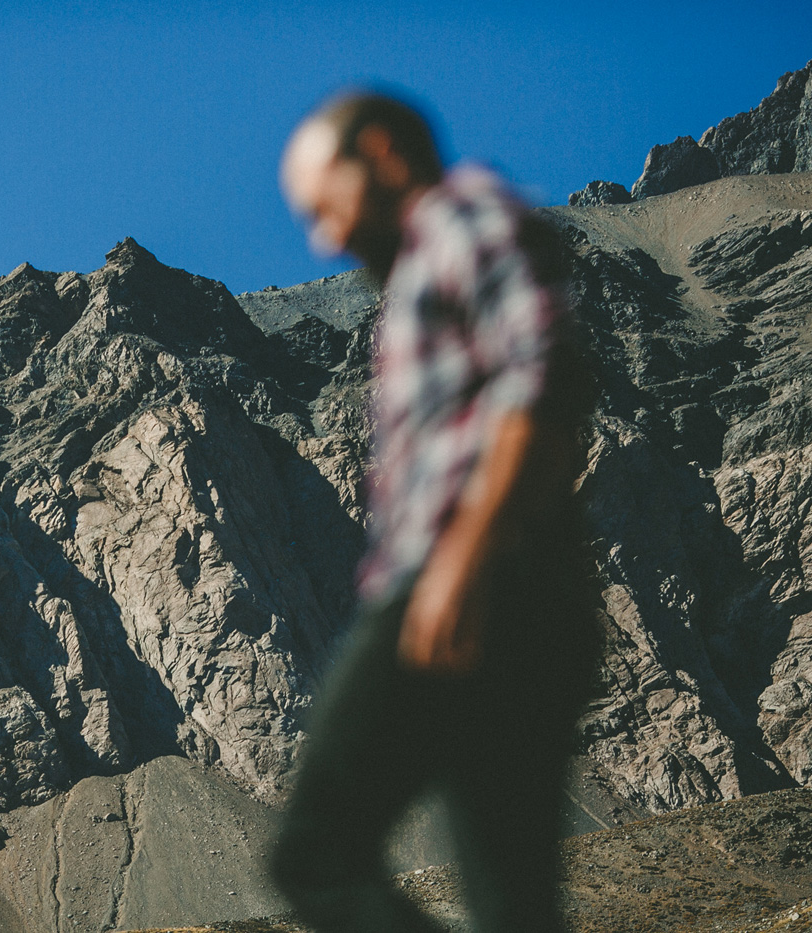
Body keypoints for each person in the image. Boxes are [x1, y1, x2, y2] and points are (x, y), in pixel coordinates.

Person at [270, 93, 596, 932]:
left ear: (380, 153)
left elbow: (541, 376)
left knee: (315, 851)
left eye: (323, 205)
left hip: (466, 579)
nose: (326, 237)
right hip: (513, 591)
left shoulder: (463, 217)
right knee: (513, 908)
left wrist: (462, 560)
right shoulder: (422, 265)